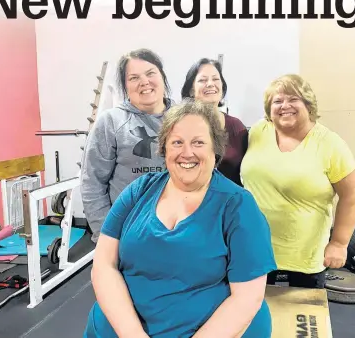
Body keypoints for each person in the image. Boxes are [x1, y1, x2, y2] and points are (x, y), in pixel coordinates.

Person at [84, 100, 277, 338]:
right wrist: (132, 333)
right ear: (164, 148)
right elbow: (104, 265)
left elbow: (248, 296)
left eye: (198, 142)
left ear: (214, 149)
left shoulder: (238, 205)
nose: (187, 152)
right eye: (177, 142)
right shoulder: (138, 192)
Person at [240, 74, 355, 289]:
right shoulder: (259, 131)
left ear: (308, 104)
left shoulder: (330, 144)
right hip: (256, 247)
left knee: (304, 317)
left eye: (293, 99)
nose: (284, 106)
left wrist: (339, 243)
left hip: (304, 255)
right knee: (255, 314)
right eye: (277, 101)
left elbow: (351, 196)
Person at [80, 48, 173, 243]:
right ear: (125, 85)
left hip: (176, 230)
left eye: (150, 73)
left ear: (162, 76)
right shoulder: (111, 121)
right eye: (134, 78)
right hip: (128, 233)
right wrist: (106, 236)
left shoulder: (183, 118)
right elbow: (92, 184)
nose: (144, 82)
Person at [181, 58, 248, 186]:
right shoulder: (180, 125)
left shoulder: (236, 127)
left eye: (216, 79)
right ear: (191, 90)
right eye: (203, 80)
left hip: (231, 201)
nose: (210, 84)